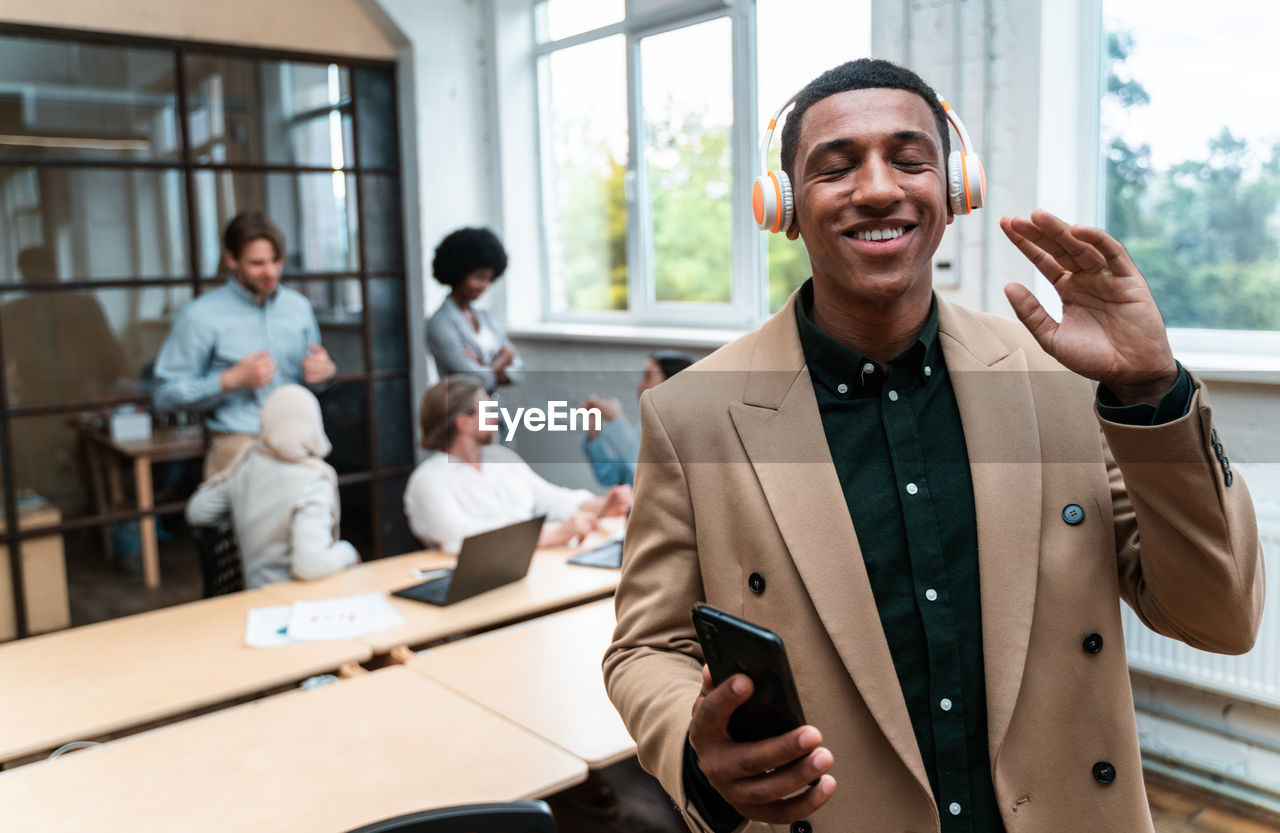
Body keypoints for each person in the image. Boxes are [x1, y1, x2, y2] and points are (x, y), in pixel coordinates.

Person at [603, 59, 1263, 833]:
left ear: (955, 190)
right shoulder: (694, 416)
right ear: (781, 206)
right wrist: (694, 744)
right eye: (837, 166)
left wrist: (1153, 392)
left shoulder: (1055, 381)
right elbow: (646, 647)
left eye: (910, 159)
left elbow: (1219, 619)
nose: (879, 188)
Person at [153, 212, 337, 478]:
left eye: (276, 261)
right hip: (237, 447)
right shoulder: (199, 316)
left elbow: (315, 380)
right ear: (231, 259)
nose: (271, 272)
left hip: (301, 445)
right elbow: (164, 396)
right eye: (257, 263)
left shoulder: (299, 308)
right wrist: (228, 380)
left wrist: (327, 372)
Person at [403, 375, 631, 553]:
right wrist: (552, 534)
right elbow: (460, 537)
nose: (496, 417)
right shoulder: (429, 480)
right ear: (463, 423)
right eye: (487, 410)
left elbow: (555, 500)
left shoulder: (501, 458)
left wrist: (604, 505)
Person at [185, 384, 357, 589]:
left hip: (253, 599)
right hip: (298, 604)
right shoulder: (313, 480)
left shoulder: (247, 465)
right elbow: (310, 566)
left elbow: (197, 512)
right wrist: (348, 552)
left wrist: (239, 513)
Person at [426, 227, 524, 393]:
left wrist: (480, 367)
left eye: (489, 279)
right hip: (460, 411)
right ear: (458, 274)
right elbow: (478, 380)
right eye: (478, 277)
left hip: (490, 408)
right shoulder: (439, 324)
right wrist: (502, 360)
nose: (484, 285)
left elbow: (518, 371)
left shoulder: (485, 317)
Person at [580, 351, 694, 487]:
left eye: (647, 376)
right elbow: (609, 476)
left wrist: (616, 421)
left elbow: (647, 476)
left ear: (670, 384)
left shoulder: (685, 433)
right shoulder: (645, 425)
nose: (640, 384)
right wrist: (594, 431)